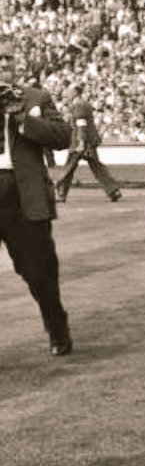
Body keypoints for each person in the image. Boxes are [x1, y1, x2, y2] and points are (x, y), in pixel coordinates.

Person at [0, 36, 73, 355]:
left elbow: (62, 137)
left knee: (40, 271)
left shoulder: (36, 96)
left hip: (24, 195)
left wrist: (22, 118)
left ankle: (57, 328)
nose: (4, 63)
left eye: (8, 57)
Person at [55, 83, 122, 203]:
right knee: (98, 168)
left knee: (68, 169)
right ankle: (113, 191)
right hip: (88, 143)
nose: (66, 93)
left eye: (69, 91)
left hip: (80, 144)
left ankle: (60, 194)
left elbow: (81, 125)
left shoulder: (79, 105)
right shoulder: (82, 104)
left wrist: (81, 142)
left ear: (75, 92)